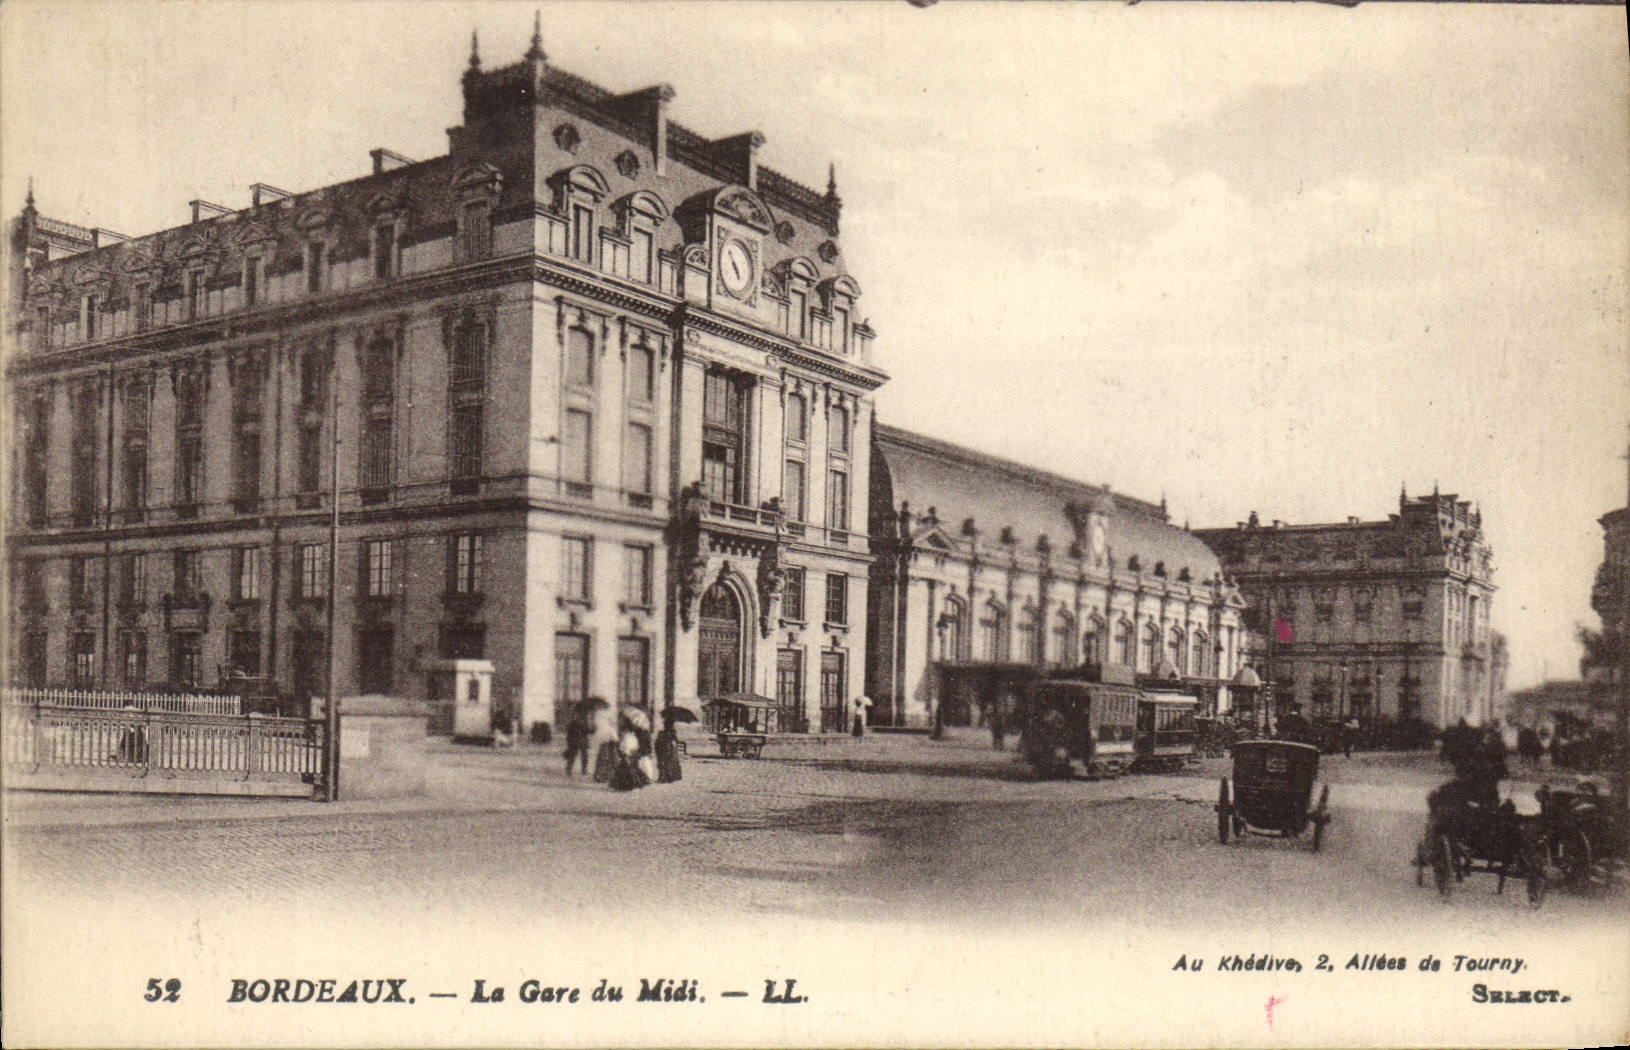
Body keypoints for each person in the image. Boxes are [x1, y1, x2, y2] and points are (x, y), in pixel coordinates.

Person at [655, 709, 684, 784]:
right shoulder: (671, 729)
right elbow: (675, 738)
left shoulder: (667, 728)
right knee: (670, 761)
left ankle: (666, 777)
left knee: (665, 761)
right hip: (669, 746)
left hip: (666, 746)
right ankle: (671, 776)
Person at [563, 706, 592, 777]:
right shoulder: (574, 723)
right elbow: (569, 733)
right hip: (575, 741)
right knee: (573, 756)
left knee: (584, 756)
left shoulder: (583, 721)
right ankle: (569, 770)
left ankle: (583, 770)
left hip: (582, 741)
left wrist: (591, 728)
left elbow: (588, 731)